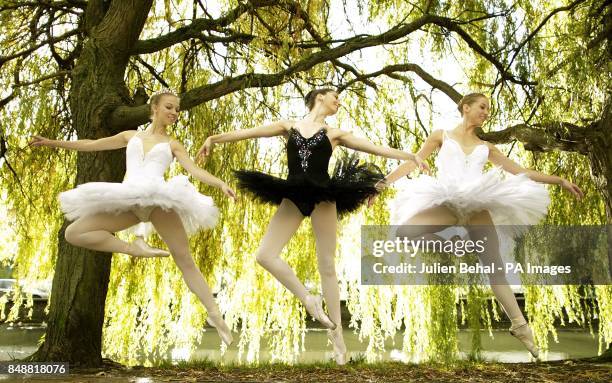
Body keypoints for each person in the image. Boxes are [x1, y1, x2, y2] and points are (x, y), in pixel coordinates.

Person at [198, 88, 428, 364]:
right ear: (319, 98)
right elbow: (250, 132)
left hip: (323, 197)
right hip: (293, 194)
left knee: (327, 265)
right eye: (335, 97)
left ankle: (339, 341)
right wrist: (214, 138)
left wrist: (410, 156)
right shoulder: (288, 126)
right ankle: (309, 300)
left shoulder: (335, 134)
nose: (339, 102)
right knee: (264, 255)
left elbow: (374, 147)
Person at [379, 92, 584, 358]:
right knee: (404, 232)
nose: (487, 112)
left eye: (489, 109)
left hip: (477, 204)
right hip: (447, 201)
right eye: (482, 107)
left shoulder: (486, 147)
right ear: (466, 107)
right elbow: (413, 162)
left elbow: (521, 171)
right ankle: (452, 243)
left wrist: (559, 180)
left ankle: (520, 325)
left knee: (495, 267)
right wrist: (382, 183)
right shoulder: (441, 135)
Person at [30, 90, 236, 346]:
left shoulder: (173, 144)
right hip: (128, 199)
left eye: (176, 110)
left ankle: (215, 316)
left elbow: (194, 170)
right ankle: (132, 248)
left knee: (185, 259)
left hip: (160, 199)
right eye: (169, 107)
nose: (174, 113)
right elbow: (91, 145)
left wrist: (220, 184)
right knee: (74, 233)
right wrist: (52, 142)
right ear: (155, 107)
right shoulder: (131, 136)